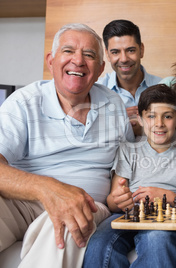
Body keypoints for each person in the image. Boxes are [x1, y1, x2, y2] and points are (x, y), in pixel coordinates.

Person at [0, 23, 134, 268]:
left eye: (89, 55)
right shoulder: (24, 102)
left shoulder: (114, 104)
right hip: (23, 201)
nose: (78, 61)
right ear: (51, 60)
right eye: (68, 51)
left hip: (88, 203)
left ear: (101, 68)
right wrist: (47, 188)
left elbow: (127, 164)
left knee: (69, 216)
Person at [83, 84, 176, 267]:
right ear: (140, 120)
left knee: (157, 240)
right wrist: (118, 200)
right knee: (99, 244)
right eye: (151, 116)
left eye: (167, 116)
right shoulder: (128, 151)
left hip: (165, 218)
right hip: (128, 215)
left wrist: (167, 197)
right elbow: (113, 200)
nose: (159, 124)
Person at [99, 19, 161, 135]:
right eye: (115, 52)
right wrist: (117, 119)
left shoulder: (164, 87)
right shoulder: (95, 91)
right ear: (107, 54)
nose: (124, 59)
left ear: (141, 50)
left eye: (130, 50)